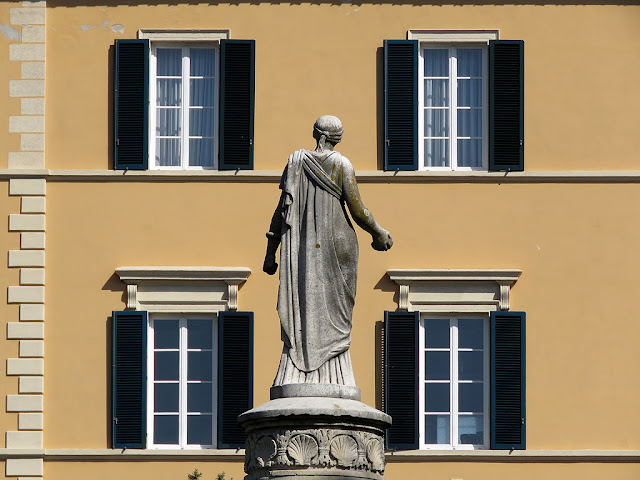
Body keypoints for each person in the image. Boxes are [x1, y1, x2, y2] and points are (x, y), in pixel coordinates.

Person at [263, 115, 393, 387]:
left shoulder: (296, 162)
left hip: (303, 248)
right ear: (336, 138)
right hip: (338, 243)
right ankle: (332, 368)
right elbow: (358, 210)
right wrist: (378, 232)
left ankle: (300, 365)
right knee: (336, 309)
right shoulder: (342, 164)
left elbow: (280, 211)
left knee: (304, 297)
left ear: (317, 135)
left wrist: (270, 253)